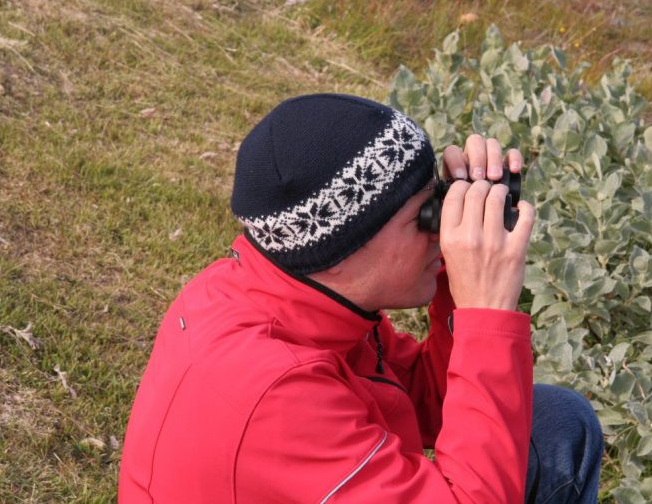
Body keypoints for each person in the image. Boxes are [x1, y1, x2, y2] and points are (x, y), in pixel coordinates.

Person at [118, 93, 603, 503]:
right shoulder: (278, 390)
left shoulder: (291, 295)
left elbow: (425, 401)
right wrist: (486, 312)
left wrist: (458, 288)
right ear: (338, 250)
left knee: (557, 423)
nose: (444, 232)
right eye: (426, 216)